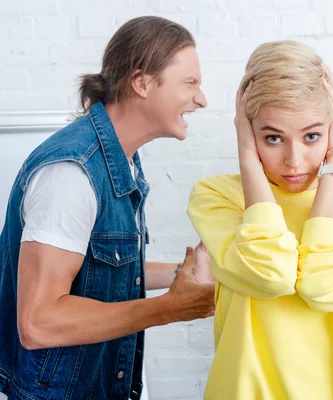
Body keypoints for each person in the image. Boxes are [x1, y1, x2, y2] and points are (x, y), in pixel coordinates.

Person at [0, 16, 216, 400]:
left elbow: (102, 268)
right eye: (190, 83)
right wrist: (170, 308)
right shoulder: (71, 174)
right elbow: (38, 322)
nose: (201, 99)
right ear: (142, 83)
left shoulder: (123, 159)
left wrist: (187, 272)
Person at [187, 40, 333, 400]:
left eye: (312, 136)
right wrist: (248, 161)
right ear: (248, 130)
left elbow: (325, 284)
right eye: (272, 138)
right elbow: (269, 275)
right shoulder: (217, 198)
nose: (294, 161)